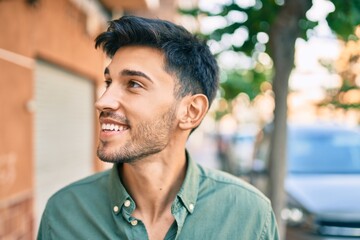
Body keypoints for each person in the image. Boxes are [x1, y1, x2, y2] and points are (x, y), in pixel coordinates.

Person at [37, 15, 279, 240]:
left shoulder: (250, 216)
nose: (102, 101)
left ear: (190, 111)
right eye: (109, 82)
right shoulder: (63, 213)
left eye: (133, 84)